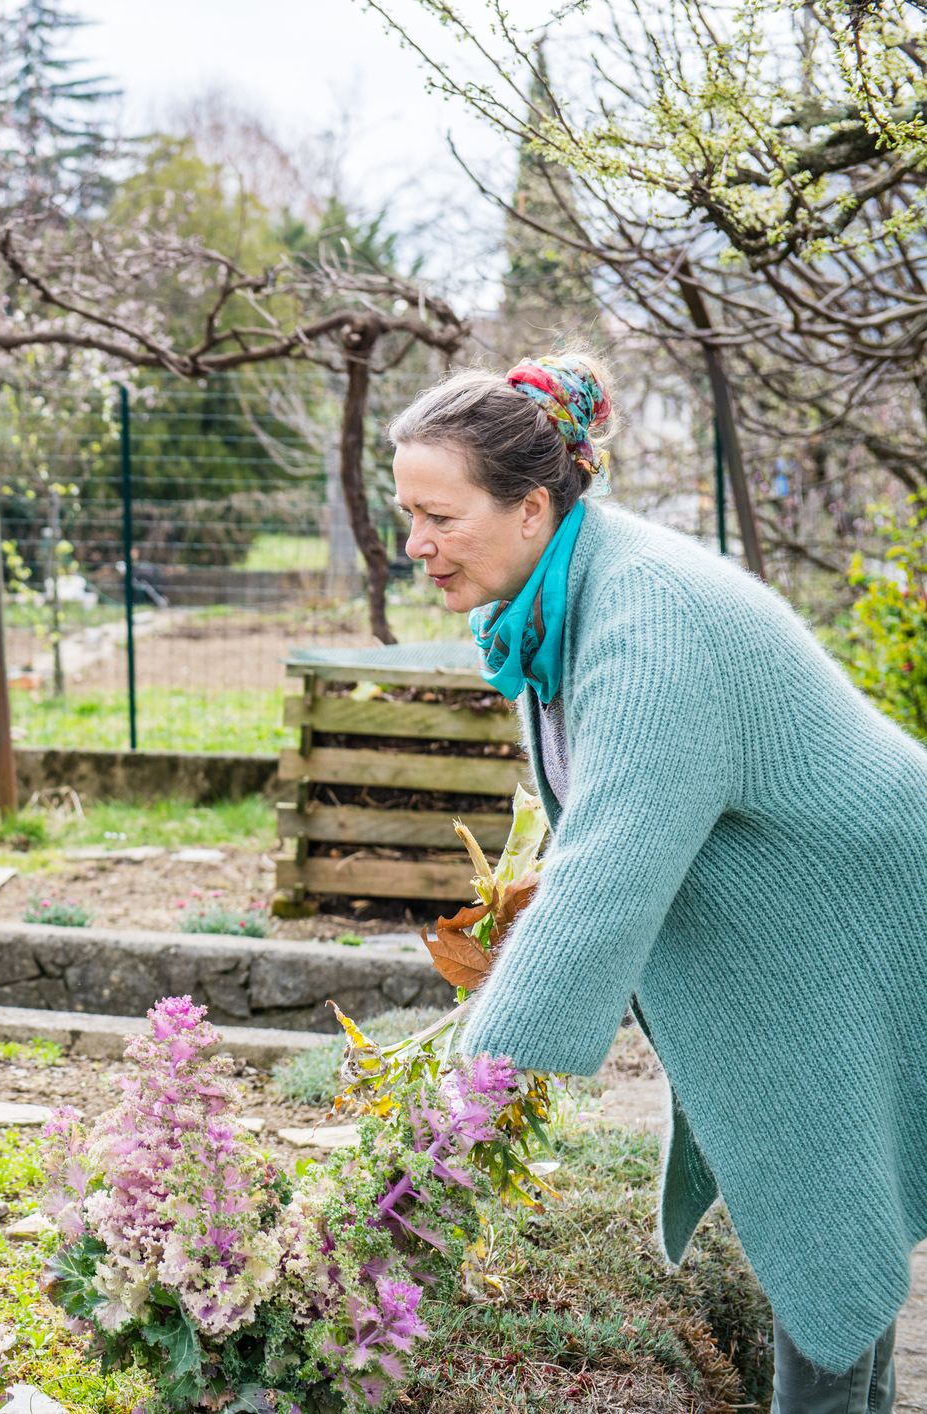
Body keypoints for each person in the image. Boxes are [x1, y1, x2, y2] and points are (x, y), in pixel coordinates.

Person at [390, 352, 924, 1414]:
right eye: (406, 514)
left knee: (820, 1211)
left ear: (533, 505)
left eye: (437, 516)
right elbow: (597, 813)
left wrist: (462, 1090)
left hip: (864, 911)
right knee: (829, 1208)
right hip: (809, 906)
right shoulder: (563, 594)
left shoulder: (646, 612)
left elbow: (614, 864)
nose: (416, 546)